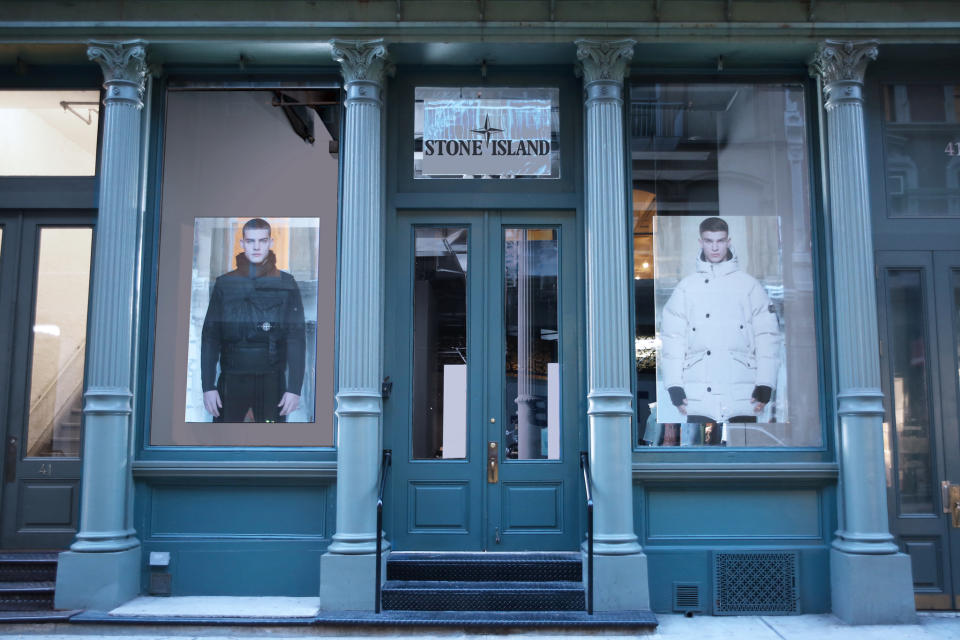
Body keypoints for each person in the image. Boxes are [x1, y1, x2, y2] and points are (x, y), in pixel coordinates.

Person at [659, 217, 780, 442]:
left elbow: (767, 337)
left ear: (729, 241)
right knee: (698, 456)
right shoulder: (686, 288)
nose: (715, 247)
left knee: (745, 456)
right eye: (709, 241)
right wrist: (674, 384)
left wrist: (765, 382)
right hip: (697, 391)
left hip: (744, 392)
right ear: (700, 242)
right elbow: (673, 340)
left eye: (720, 241)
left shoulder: (749, 286)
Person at [201, 218, 305, 422]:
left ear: (270, 242)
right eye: (250, 241)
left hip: (271, 381)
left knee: (272, 447)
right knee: (225, 446)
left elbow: (296, 339)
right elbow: (210, 338)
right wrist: (208, 386)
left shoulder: (286, 284)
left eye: (262, 241)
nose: (256, 247)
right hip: (231, 380)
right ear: (242, 243)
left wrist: (294, 388)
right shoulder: (225, 284)